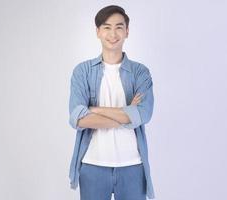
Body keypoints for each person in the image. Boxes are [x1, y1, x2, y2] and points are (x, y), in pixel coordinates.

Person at [68, 5, 155, 200]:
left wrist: (93, 109)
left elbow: (144, 114)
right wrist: (127, 115)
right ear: (98, 32)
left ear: (127, 31)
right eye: (106, 27)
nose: (113, 33)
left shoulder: (140, 73)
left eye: (119, 27)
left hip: (133, 165)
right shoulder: (82, 72)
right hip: (92, 165)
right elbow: (78, 119)